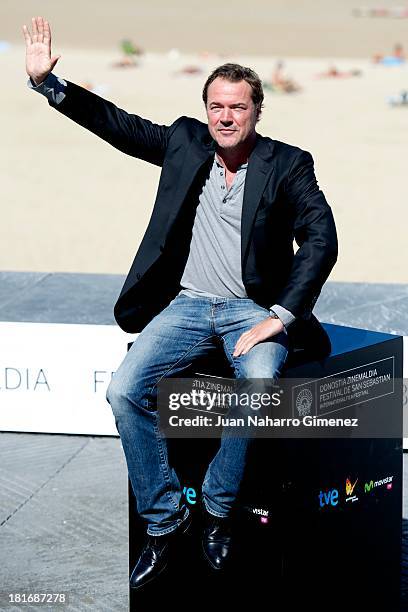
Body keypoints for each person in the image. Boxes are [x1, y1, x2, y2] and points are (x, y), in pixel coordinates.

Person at [23, 16, 338, 589]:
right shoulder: (183, 141)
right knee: (124, 391)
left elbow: (321, 238)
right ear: (206, 110)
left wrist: (280, 317)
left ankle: (217, 512)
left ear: (256, 112)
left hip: (252, 310)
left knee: (260, 390)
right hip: (188, 306)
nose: (225, 116)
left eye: (237, 107)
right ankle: (165, 521)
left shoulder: (288, 163)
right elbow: (116, 125)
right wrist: (50, 85)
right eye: (216, 106)